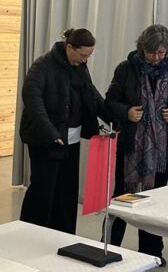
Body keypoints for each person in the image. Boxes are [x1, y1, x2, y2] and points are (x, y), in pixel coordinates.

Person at [105, 24, 168, 264]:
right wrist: (126, 112)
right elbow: (110, 101)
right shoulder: (126, 68)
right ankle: (108, 248)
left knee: (154, 199)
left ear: (167, 49)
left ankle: (151, 252)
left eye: (160, 52)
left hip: (164, 147)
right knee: (122, 197)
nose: (156, 58)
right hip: (130, 145)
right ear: (141, 48)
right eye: (151, 52)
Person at [19, 27, 109, 234]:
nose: (85, 60)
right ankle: (32, 234)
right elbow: (33, 101)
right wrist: (51, 133)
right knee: (43, 191)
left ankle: (64, 236)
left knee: (67, 192)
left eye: (88, 56)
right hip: (45, 139)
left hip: (71, 139)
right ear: (69, 47)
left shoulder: (80, 68)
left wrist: (114, 117)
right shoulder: (43, 65)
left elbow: (92, 95)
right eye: (82, 55)